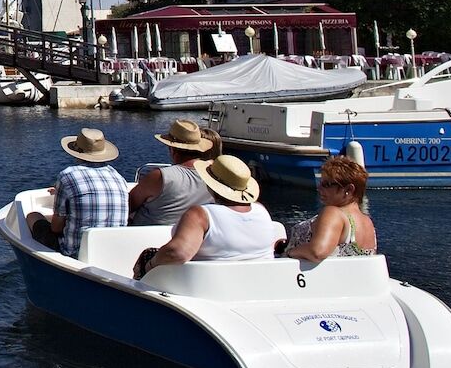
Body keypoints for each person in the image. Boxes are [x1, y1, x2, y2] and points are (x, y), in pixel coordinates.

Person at [136, 154, 275, 275]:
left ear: (211, 185)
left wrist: (149, 266)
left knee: (149, 255)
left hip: (210, 288)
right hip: (260, 284)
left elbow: (177, 253)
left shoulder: (200, 215)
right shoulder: (261, 210)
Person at [27, 127, 127, 258]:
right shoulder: (119, 178)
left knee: (32, 216)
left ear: (76, 152)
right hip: (111, 252)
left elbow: (56, 228)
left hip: (75, 252)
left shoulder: (67, 175)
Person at [284, 155, 377, 263]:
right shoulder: (367, 222)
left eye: (326, 184)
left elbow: (317, 252)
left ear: (349, 189)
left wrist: (290, 252)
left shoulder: (334, 213)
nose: (319, 188)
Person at [129, 117, 216, 227]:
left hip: (146, 235)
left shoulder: (160, 176)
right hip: (190, 235)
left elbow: (128, 205)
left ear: (172, 149)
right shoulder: (213, 175)